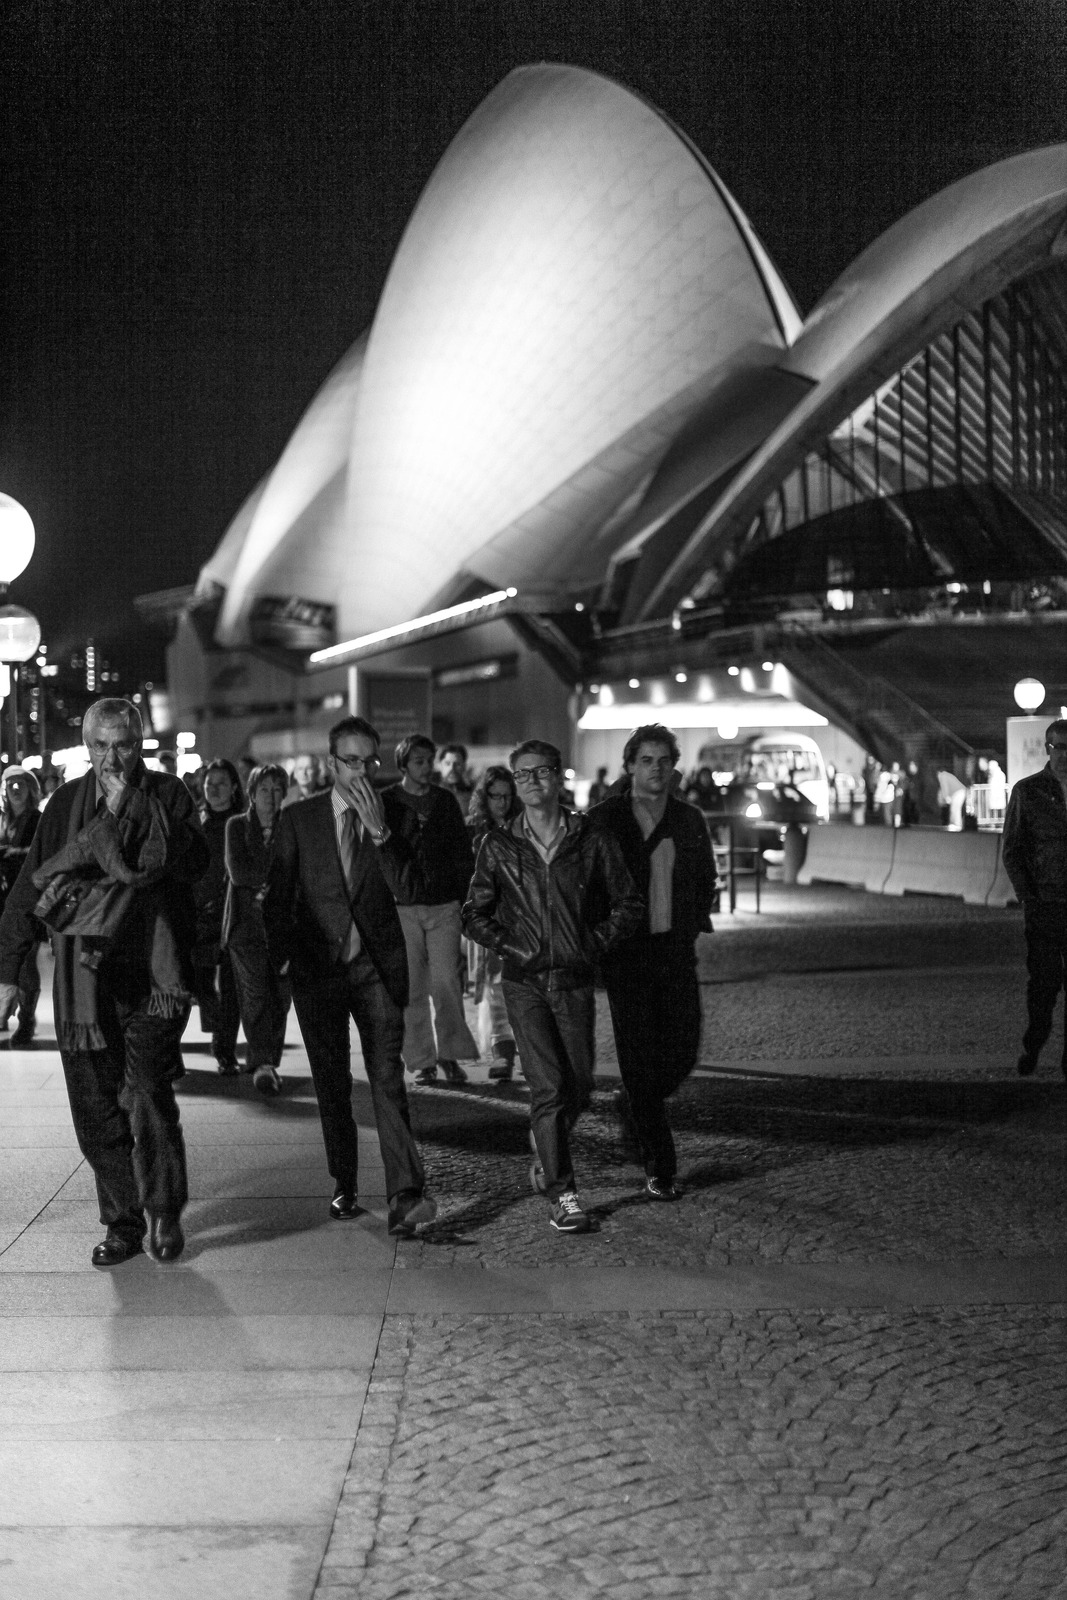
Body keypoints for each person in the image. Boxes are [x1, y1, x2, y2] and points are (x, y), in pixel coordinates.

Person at [0, 698, 208, 1266]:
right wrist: (6, 976)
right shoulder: (64, 804)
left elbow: (192, 864)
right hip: (83, 982)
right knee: (94, 1110)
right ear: (87, 746)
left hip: (154, 976)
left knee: (144, 1095)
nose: (112, 757)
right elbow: (27, 889)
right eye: (101, 746)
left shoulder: (167, 794)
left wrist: (132, 809)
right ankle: (123, 1221)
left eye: (123, 745)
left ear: (137, 743)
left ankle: (163, 1209)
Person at [264, 715, 437, 1235]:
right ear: (330, 763)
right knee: (332, 1082)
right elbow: (277, 897)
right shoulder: (300, 819)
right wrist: (285, 958)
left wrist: (382, 831)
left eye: (369, 761)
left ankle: (405, 1193)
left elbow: (409, 887)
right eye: (351, 761)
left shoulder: (397, 816)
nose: (361, 771)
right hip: (318, 971)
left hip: (376, 968)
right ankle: (344, 1180)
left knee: (387, 1079)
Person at [463, 739, 642, 1234]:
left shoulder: (590, 837)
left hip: (575, 980)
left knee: (580, 1085)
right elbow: (473, 914)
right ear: (514, 783)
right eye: (523, 775)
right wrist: (513, 949)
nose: (532, 781)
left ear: (559, 776)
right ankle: (563, 1192)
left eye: (542, 772)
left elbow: (629, 903)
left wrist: (592, 942)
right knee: (549, 1087)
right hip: (523, 983)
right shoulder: (498, 845)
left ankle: (545, 1148)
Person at [588, 724, 718, 1199]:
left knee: (684, 1046)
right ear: (630, 766)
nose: (656, 768)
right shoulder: (604, 819)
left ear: (674, 767)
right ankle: (659, 1165)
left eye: (664, 760)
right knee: (639, 1058)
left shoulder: (688, 819)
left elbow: (705, 875)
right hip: (626, 955)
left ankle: (636, 1103)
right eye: (647, 760)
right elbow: (589, 884)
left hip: (674, 950)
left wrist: (693, 918)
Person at [382, 734, 478, 1085]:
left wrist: (461, 894)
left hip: (442, 904)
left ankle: (452, 1054)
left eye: (428, 760)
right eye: (419, 761)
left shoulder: (444, 801)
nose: (426, 767)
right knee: (412, 988)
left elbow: (461, 852)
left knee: (447, 982)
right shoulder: (389, 801)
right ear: (404, 764)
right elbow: (382, 851)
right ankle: (422, 1060)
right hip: (403, 904)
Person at [1002, 718, 1067, 1078]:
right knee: (1043, 983)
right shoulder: (1028, 792)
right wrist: (1028, 895)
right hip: (1045, 903)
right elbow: (1012, 848)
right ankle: (1035, 1044)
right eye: (1057, 747)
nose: (1063, 756)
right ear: (1047, 749)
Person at [224, 763, 292, 1095]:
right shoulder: (236, 826)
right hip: (245, 926)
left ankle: (266, 1059)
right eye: (264, 789)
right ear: (251, 793)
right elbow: (239, 872)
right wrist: (273, 878)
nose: (271, 796)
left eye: (277, 789)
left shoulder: (291, 826)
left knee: (280, 995)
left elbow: (295, 870)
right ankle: (263, 1063)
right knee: (254, 995)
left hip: (283, 926)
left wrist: (272, 881)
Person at [465, 765, 521, 1081]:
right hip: (489, 918)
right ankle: (504, 1055)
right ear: (484, 797)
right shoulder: (474, 831)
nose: (501, 802)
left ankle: (527, 1051)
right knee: (494, 988)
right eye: (494, 796)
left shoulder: (522, 827)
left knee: (520, 988)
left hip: (520, 917)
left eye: (506, 795)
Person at [192, 758, 244, 1074]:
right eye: (210, 783)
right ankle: (214, 1026)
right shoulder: (194, 820)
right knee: (200, 982)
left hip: (233, 913)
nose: (214, 789)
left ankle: (225, 1051)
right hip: (199, 913)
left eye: (222, 783)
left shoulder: (241, 821)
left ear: (234, 787)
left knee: (231, 987)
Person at [0, 766, 44, 1046]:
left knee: (26, 961)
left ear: (30, 789)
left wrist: (14, 853)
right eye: (10, 784)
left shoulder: (38, 819)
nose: (15, 789)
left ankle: (26, 1018)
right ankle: (5, 1010)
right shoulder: (2, 820)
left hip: (28, 898)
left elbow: (43, 853)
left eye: (21, 784)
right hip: (2, 898)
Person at [437, 742, 474, 816]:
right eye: (447, 764)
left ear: (464, 766)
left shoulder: (473, 796)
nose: (452, 768)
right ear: (440, 765)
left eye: (457, 764)